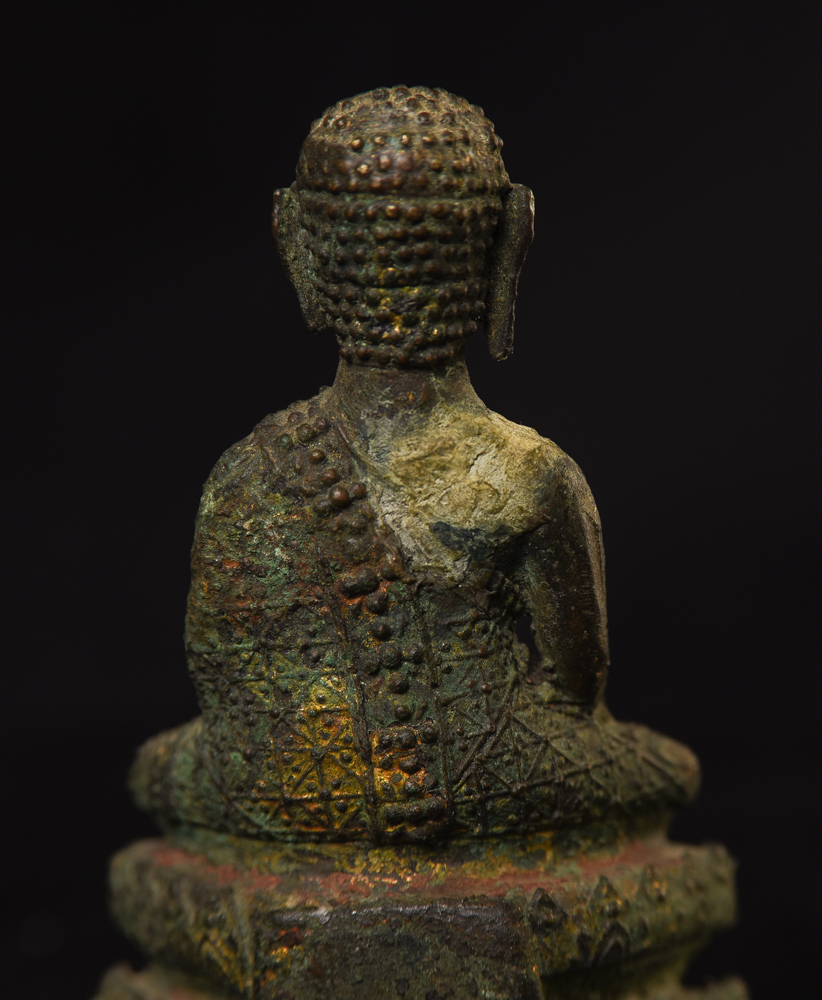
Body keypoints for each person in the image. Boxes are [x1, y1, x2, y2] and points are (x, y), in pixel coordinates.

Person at [131, 86, 697, 845]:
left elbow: (227, 692)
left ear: (297, 244)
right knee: (668, 768)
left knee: (157, 767)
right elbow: (576, 689)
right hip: (468, 777)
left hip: (279, 782)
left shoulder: (242, 473)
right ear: (510, 241)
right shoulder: (531, 473)